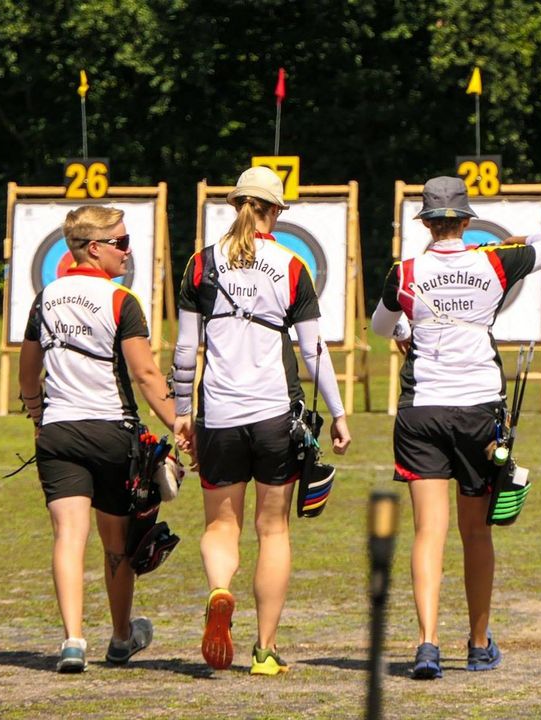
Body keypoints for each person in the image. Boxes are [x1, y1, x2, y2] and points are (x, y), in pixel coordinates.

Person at [371, 176, 541, 679]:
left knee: (427, 533)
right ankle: (479, 644)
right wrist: (516, 242)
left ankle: (427, 645)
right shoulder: (496, 259)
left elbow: (379, 326)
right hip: (479, 409)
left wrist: (405, 329)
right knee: (476, 532)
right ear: (465, 220)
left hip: (422, 412)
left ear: (427, 223)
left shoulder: (406, 270)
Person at [171, 166, 351, 676]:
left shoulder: (202, 265)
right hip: (276, 417)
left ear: (236, 206)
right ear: (274, 211)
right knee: (272, 530)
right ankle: (265, 651)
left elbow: (186, 349)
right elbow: (314, 352)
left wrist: (182, 412)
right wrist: (337, 415)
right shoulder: (291, 267)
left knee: (220, 525)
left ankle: (219, 590)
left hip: (220, 416)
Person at [18, 205, 186, 672]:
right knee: (116, 544)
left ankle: (73, 641)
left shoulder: (45, 296)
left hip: (58, 434)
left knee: (68, 537)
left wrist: (38, 417)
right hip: (111, 433)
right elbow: (147, 374)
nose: (129, 253)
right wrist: (180, 423)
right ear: (95, 248)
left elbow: (28, 372)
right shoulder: (120, 300)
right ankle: (119, 637)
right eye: (122, 243)